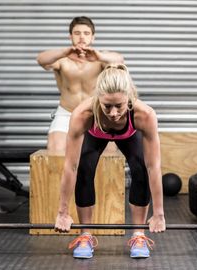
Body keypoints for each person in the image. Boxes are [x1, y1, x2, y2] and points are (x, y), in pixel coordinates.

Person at [54, 64, 165, 259]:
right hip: (95, 134)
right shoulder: (82, 115)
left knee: (140, 168)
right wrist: (62, 211)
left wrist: (159, 214)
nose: (113, 113)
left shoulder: (144, 115)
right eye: (107, 106)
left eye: (119, 106)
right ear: (98, 98)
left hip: (129, 135)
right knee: (84, 169)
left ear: (129, 98)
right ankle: (85, 235)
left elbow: (153, 166)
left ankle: (139, 234)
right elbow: (70, 166)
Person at [37, 16, 124, 153]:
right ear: (70, 36)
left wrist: (99, 56)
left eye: (86, 33)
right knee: (55, 149)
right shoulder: (62, 60)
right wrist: (65, 52)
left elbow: (119, 60)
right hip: (67, 113)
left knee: (109, 153)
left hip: (94, 113)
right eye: (77, 33)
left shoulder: (99, 59)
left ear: (93, 38)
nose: (82, 37)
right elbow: (41, 59)